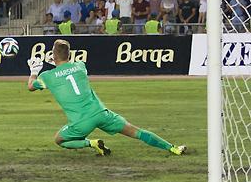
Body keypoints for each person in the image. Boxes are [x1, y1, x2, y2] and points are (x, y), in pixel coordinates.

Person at [26, 39, 186, 156]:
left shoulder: (47, 76)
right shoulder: (80, 66)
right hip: (102, 113)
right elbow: (67, 69)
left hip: (81, 122)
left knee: (59, 140)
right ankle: (173, 148)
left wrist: (34, 71)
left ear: (53, 55)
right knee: (137, 132)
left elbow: (31, 86)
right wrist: (56, 62)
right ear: (69, 54)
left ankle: (91, 143)